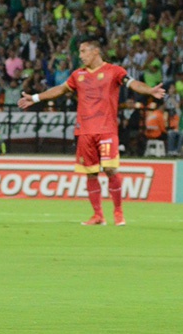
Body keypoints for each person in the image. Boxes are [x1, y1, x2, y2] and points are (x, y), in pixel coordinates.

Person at [19, 39, 165, 226]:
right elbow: (61, 89)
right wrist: (35, 98)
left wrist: (149, 90)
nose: (80, 55)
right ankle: (98, 216)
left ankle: (118, 212)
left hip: (106, 130)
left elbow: (133, 83)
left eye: (83, 51)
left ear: (95, 51)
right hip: (85, 131)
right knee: (91, 174)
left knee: (110, 169)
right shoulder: (78, 75)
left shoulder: (114, 71)